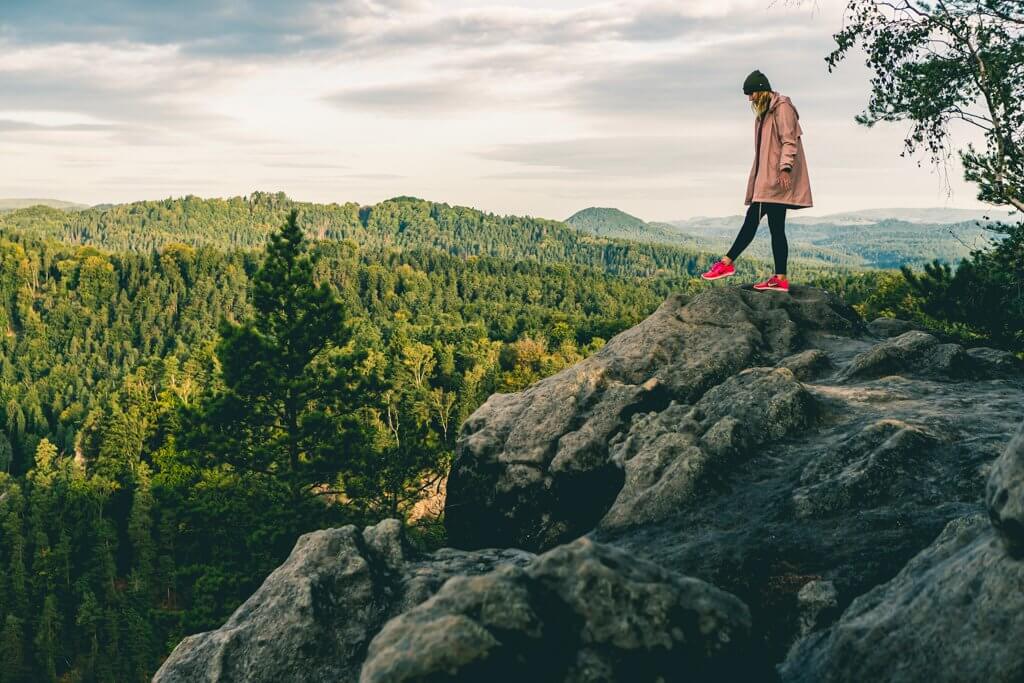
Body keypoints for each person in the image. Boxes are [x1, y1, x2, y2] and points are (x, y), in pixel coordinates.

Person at [701, 69, 813, 293]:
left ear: (761, 91)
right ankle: (779, 278)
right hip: (769, 177)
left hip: (775, 179)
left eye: (751, 94)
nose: (750, 99)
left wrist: (785, 168)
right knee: (776, 228)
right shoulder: (766, 112)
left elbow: (789, 141)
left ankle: (726, 263)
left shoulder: (782, 108)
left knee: (752, 219)